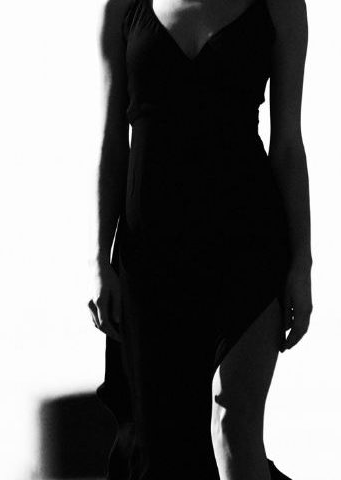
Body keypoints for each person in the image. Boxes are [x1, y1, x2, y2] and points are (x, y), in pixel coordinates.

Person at [89, 0, 311, 478]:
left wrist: (301, 265)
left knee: (233, 422)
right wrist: (99, 263)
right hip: (151, 254)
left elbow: (288, 144)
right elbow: (112, 144)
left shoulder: (281, 6)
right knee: (165, 451)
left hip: (247, 242)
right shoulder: (124, 7)